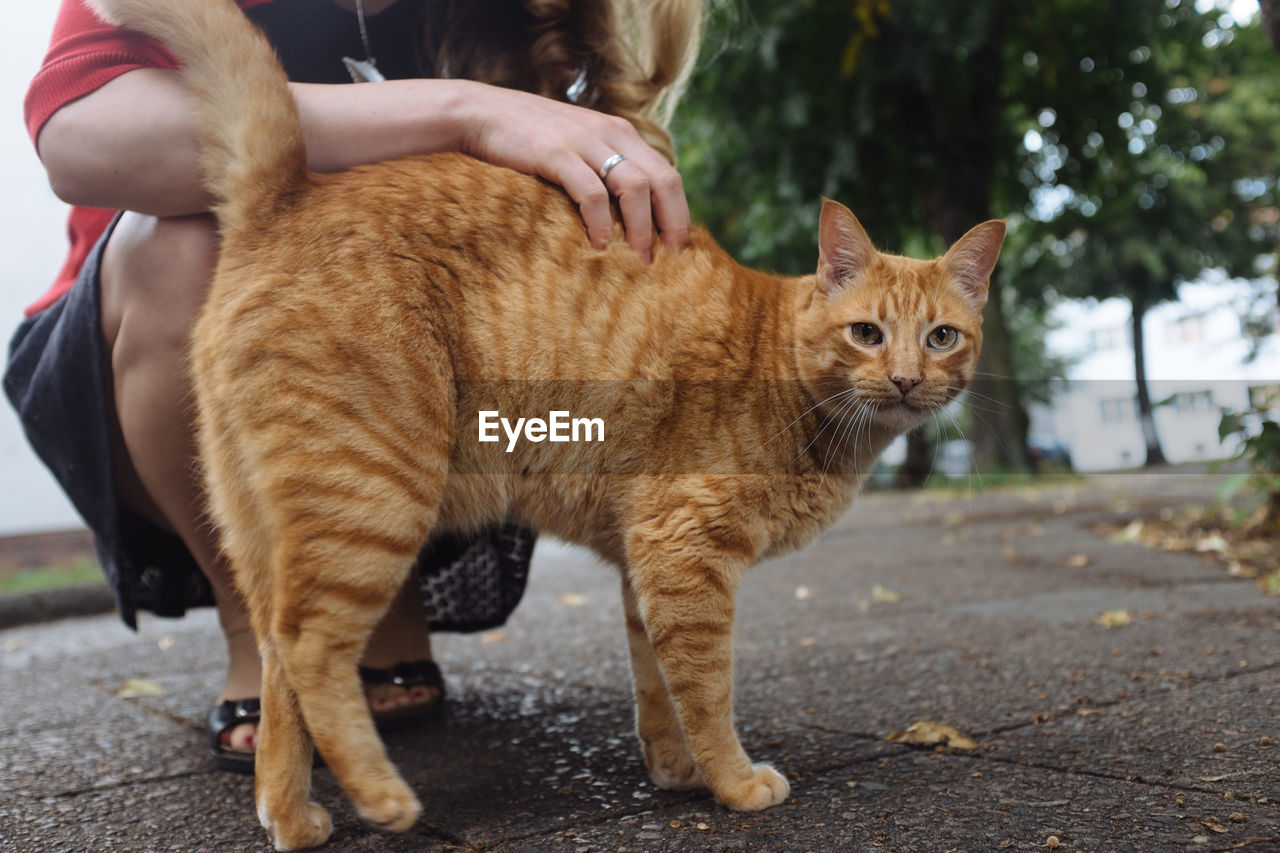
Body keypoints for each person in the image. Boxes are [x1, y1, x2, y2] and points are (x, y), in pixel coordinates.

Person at [5, 0, 701, 772]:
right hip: (146, 367)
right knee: (196, 237)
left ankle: (384, 579)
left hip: (406, 379)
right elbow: (81, 141)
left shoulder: (519, 17)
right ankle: (262, 627)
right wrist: (464, 111)